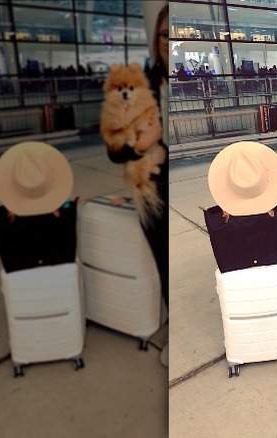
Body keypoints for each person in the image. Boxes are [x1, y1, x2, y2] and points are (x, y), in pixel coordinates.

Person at [105, 4, 170, 367]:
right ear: (156, 39)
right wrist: (141, 145)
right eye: (165, 34)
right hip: (152, 189)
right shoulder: (137, 84)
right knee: (162, 260)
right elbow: (113, 149)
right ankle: (171, 324)